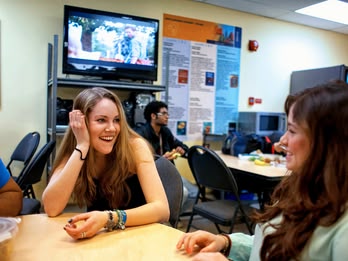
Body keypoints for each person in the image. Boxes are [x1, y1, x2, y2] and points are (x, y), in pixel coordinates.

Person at [176, 81, 348, 261]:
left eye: (292, 130)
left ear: (329, 143)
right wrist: (226, 242)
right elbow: (271, 242)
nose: (282, 141)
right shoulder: (299, 187)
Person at [42, 87, 169, 240]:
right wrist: (82, 146)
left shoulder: (135, 146)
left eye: (116, 120)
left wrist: (108, 218)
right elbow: (51, 208)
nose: (112, 128)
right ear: (81, 123)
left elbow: (162, 210)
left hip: (140, 234)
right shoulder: (76, 151)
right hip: (103, 238)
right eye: (101, 120)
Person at [134, 100, 198, 214]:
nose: (167, 117)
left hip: (168, 173)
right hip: (151, 174)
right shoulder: (141, 133)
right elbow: (136, 159)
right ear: (153, 116)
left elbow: (181, 145)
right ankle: (165, 220)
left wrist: (181, 149)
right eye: (163, 114)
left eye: (167, 114)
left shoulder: (165, 131)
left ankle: (174, 218)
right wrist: (160, 159)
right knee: (184, 193)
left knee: (195, 192)